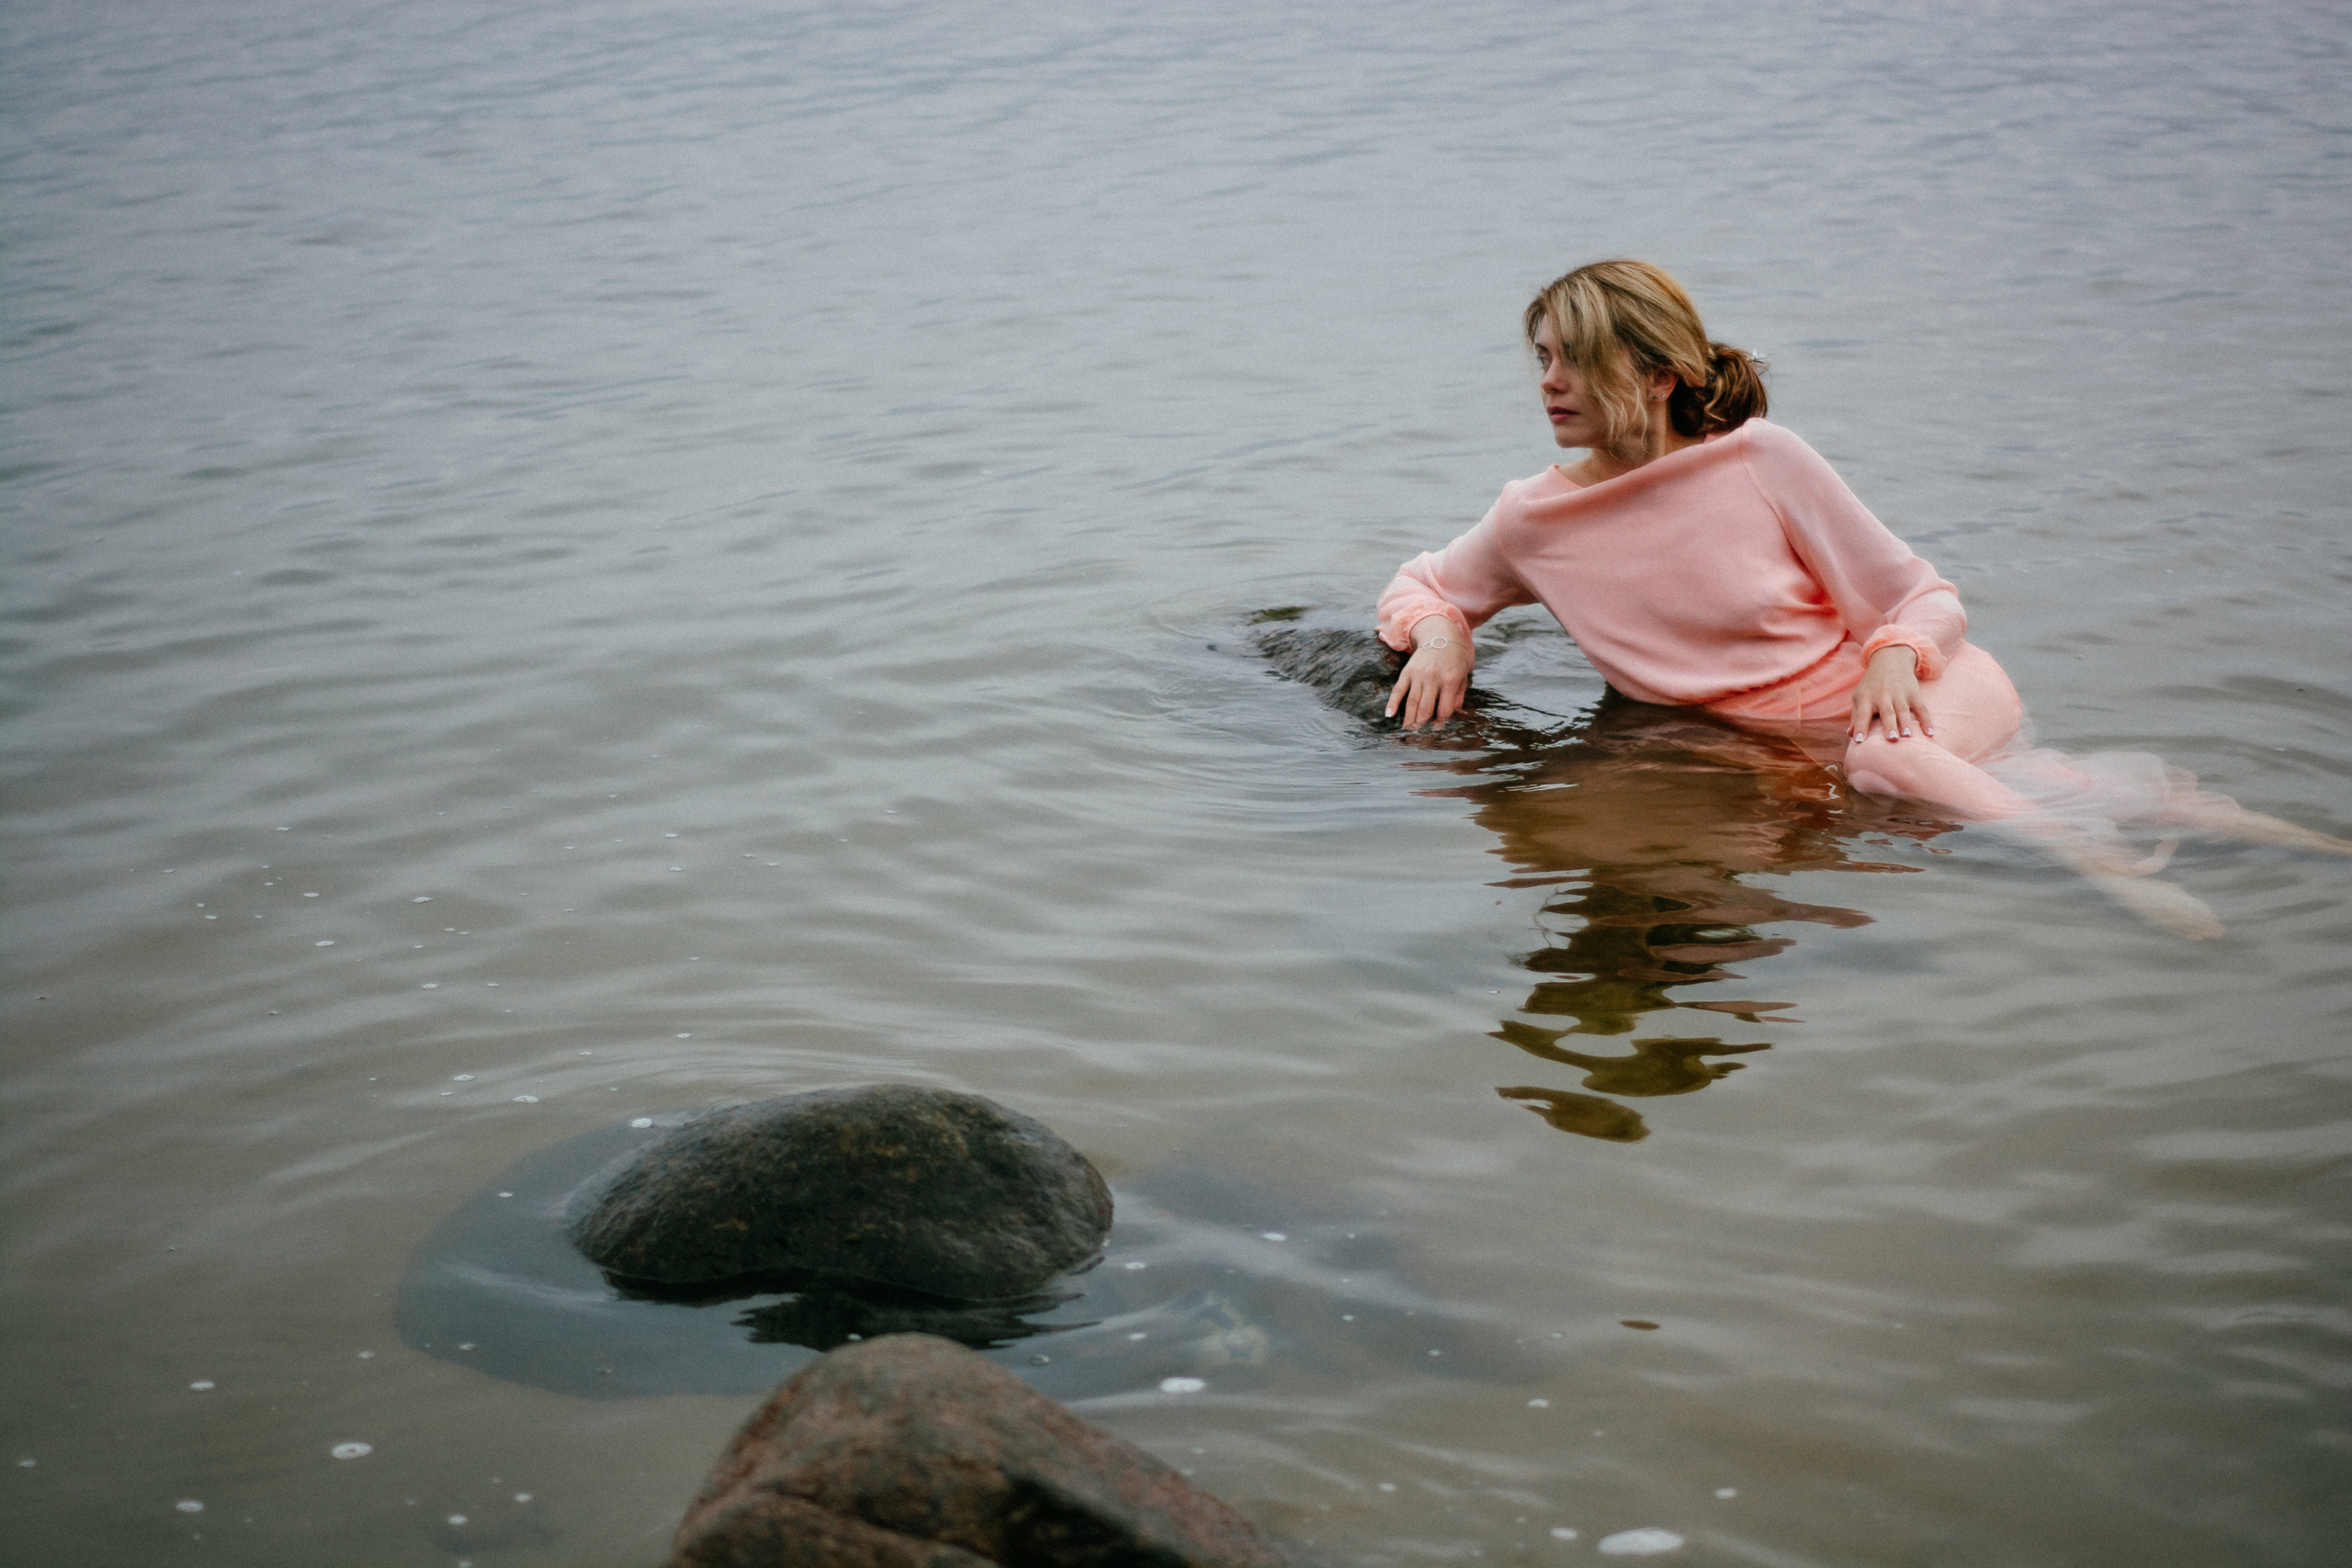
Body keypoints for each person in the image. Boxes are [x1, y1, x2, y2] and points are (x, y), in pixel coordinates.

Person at [1376, 259, 2346, 937]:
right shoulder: (1529, 521)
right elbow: (1423, 582)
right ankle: (2304, 845)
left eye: (1572, 359)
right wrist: (1442, 634)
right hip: (1836, 746)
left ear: (1658, 374)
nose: (1547, 382)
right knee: (2057, 783)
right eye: (1539, 356)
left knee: (1887, 764)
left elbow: (1921, 595)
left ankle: (2112, 877)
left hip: (1923, 695)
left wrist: (1893, 651)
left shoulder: (1763, 460)